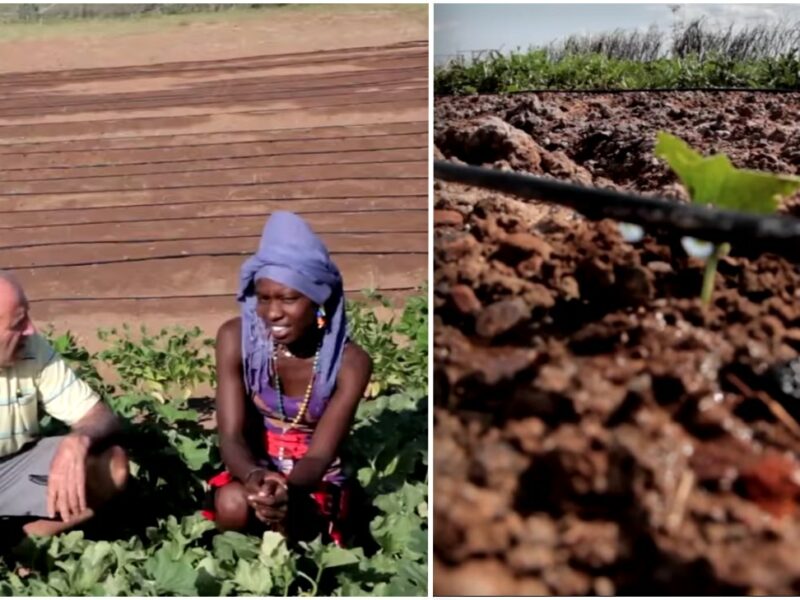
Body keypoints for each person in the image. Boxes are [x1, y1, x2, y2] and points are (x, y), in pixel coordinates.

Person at [203, 211, 372, 546]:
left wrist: (287, 491)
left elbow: (319, 456)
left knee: (295, 520)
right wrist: (255, 476)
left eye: (288, 299)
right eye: (263, 299)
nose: (273, 313)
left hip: (312, 478)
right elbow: (231, 435)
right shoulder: (235, 339)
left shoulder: (350, 363)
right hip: (253, 467)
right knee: (233, 504)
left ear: (318, 302)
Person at [0, 271, 129, 537]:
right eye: (17, 323)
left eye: (27, 317)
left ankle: (21, 540)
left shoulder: (32, 348)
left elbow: (98, 416)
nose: (31, 329)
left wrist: (80, 439)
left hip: (12, 467)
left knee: (110, 465)